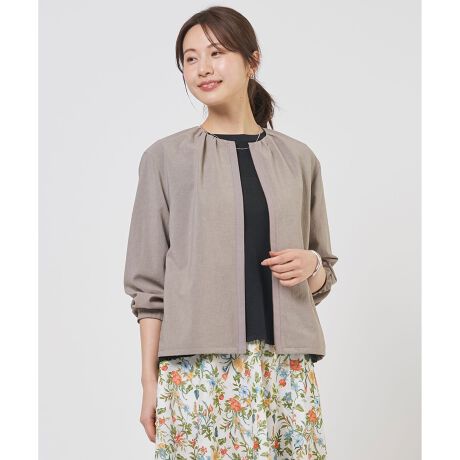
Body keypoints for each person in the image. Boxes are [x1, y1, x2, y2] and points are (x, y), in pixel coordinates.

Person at [123, 6, 338, 459]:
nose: (203, 67)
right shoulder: (165, 159)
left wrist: (312, 265)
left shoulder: (300, 160)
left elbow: (324, 274)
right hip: (197, 370)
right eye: (190, 58)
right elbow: (149, 288)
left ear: (252, 60)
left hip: (285, 370)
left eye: (216, 53)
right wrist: (149, 382)